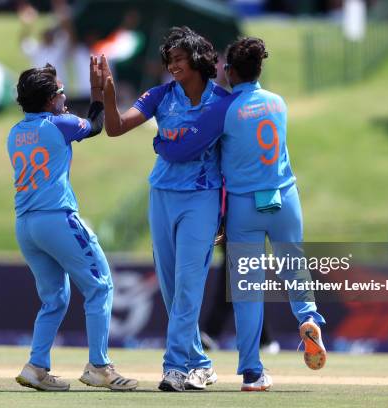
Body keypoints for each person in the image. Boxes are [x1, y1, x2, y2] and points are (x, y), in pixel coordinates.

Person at [153, 37, 327, 391]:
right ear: (259, 69)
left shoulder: (225, 108)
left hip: (244, 206)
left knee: (248, 290)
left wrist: (159, 142)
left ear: (229, 71)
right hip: (284, 199)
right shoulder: (279, 104)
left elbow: (187, 145)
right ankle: (308, 318)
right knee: (294, 266)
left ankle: (252, 372)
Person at [101, 26, 228, 391]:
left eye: (178, 58)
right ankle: (200, 364)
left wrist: (162, 142)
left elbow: (188, 150)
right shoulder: (159, 95)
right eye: (168, 59)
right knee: (173, 290)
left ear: (198, 60)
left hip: (202, 197)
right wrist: (109, 94)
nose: (171, 65)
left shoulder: (221, 102)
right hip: (162, 194)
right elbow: (115, 128)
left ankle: (174, 368)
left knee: (189, 284)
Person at [8, 61, 137, 392]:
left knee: (54, 299)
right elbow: (94, 126)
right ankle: (99, 366)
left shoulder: (15, 132)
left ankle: (36, 366)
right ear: (51, 99)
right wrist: (97, 92)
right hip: (56, 218)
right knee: (101, 286)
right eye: (62, 92)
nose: (66, 98)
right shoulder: (58, 124)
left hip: (26, 225)